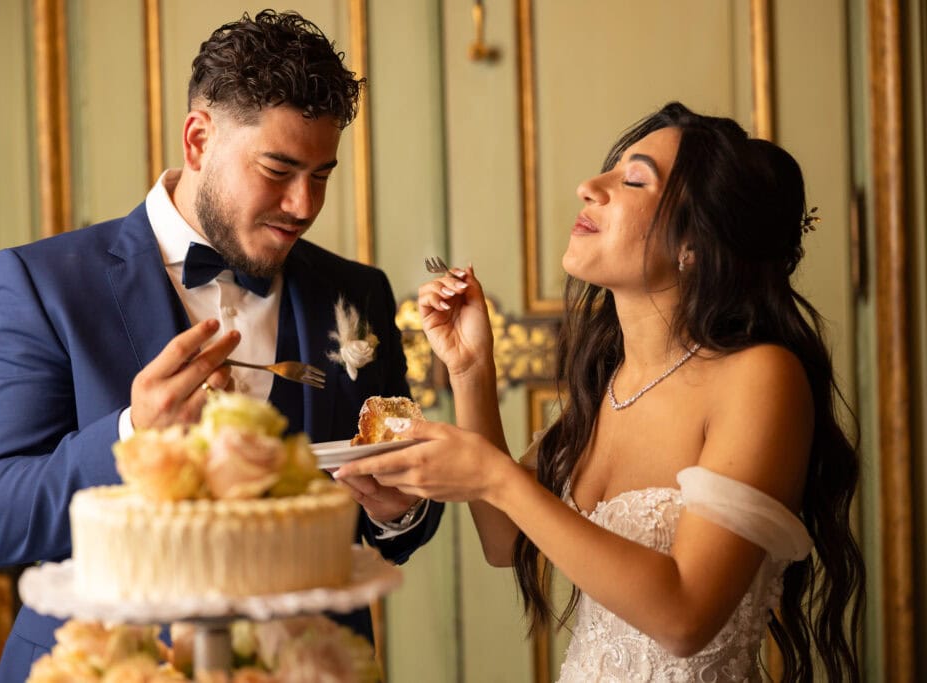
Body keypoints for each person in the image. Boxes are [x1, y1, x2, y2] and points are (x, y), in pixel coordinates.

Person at [0, 10, 442, 682]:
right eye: (278, 168)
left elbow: (406, 523)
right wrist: (131, 433)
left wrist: (401, 509)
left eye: (322, 174)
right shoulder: (45, 284)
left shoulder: (356, 294)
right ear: (197, 139)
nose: (304, 204)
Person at [335, 102, 865, 681]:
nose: (590, 186)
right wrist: (470, 369)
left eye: (633, 178)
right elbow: (505, 540)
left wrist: (494, 475)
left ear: (695, 243)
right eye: (609, 170)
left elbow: (687, 617)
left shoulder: (762, 378)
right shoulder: (612, 383)